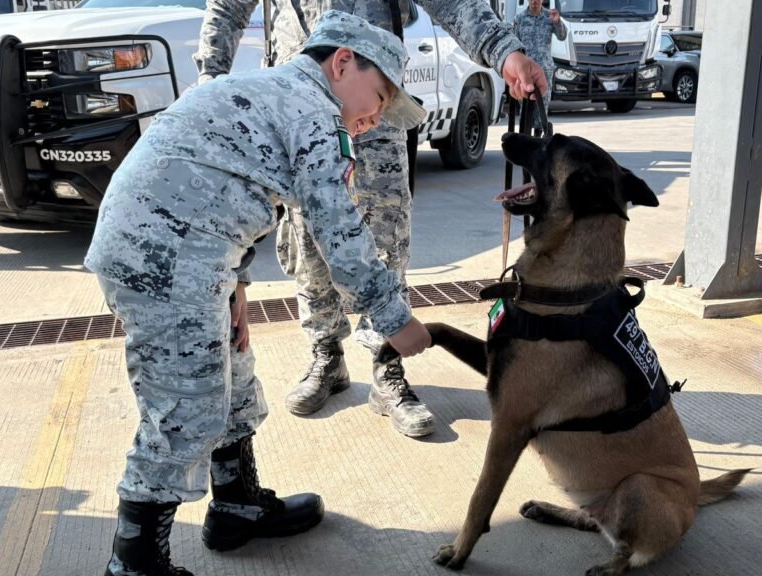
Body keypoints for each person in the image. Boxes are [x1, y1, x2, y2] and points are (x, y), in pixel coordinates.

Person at [86, 11, 433, 576]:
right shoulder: (315, 113)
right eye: (378, 96)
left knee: (235, 379)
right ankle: (136, 564)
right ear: (342, 62)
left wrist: (237, 281)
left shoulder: (267, 88)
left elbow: (224, 177)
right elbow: (339, 231)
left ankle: (237, 504)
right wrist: (394, 317)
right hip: (167, 261)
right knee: (184, 408)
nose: (374, 119)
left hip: (192, 252)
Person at [197, 0, 548, 439]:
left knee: (386, 237)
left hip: (374, 105)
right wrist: (210, 76)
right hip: (300, 103)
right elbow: (227, 8)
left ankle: (387, 365)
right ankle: (326, 353)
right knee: (308, 238)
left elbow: (455, 2)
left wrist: (504, 52)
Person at [513, 0, 566, 132]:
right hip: (525, 71)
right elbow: (514, 44)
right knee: (525, 107)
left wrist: (558, 22)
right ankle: (525, 138)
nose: (535, 1)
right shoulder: (519, 18)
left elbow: (562, 36)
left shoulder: (550, 17)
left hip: (544, 70)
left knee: (542, 108)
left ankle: (540, 140)